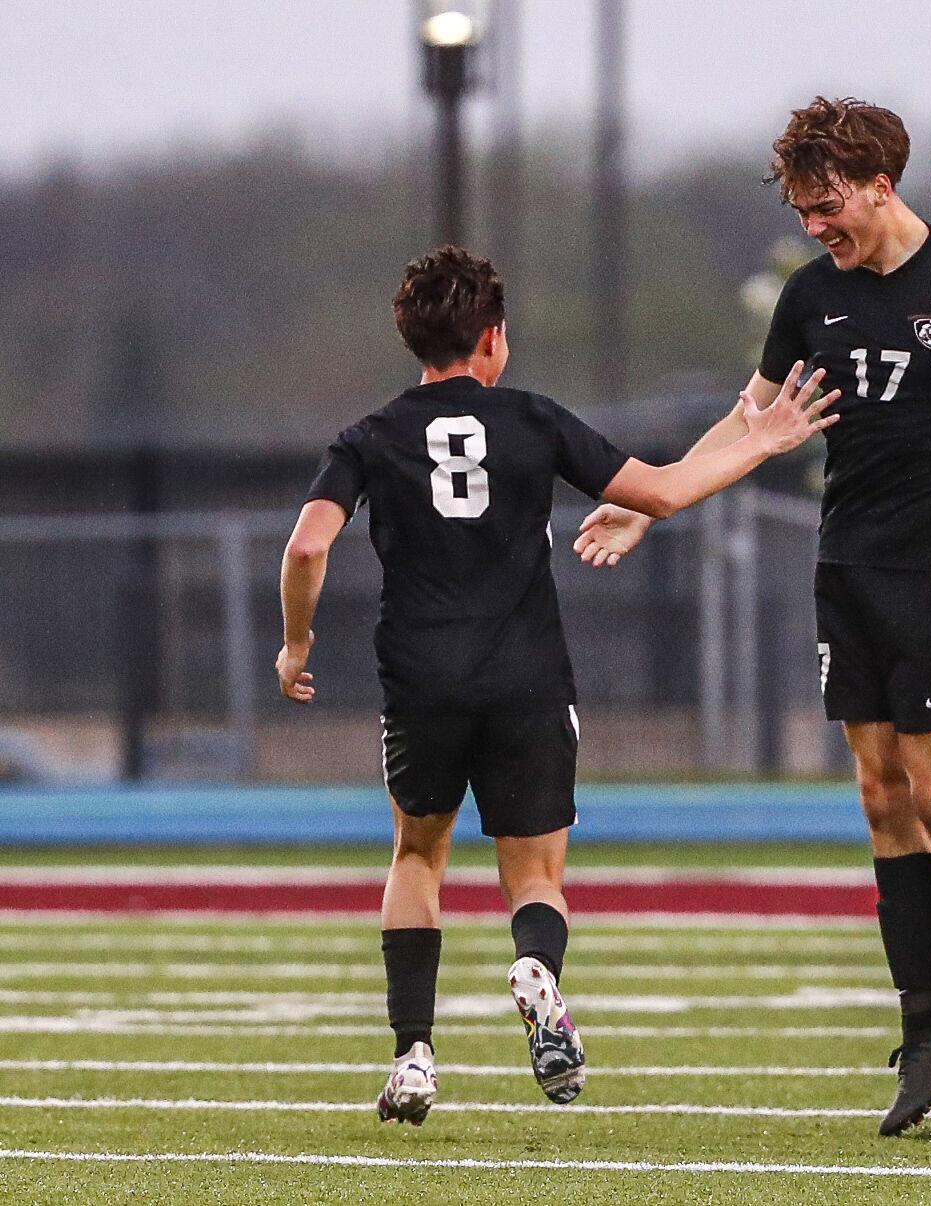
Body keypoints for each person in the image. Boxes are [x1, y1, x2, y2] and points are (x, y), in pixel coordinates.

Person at [276, 245, 836, 1124]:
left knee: (417, 856)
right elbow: (660, 493)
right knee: (536, 876)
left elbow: (309, 544)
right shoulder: (532, 418)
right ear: (492, 338)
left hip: (422, 682)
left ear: (412, 338)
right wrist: (762, 439)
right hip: (526, 677)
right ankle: (536, 968)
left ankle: (414, 1055)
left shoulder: (370, 436)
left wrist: (295, 644)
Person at [573, 97, 931, 1133]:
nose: (815, 227)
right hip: (848, 562)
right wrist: (652, 501)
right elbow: (751, 417)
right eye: (801, 211)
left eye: (827, 207)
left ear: (880, 184)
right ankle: (929, 1022)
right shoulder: (811, 296)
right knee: (879, 794)